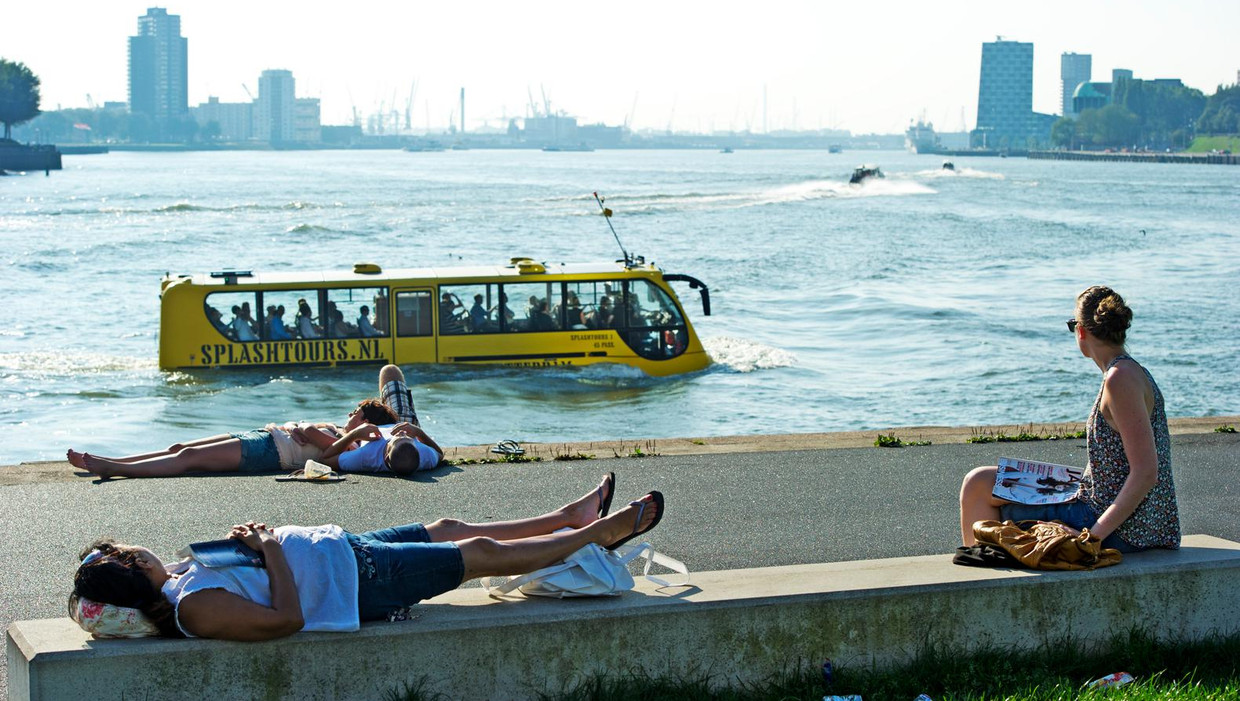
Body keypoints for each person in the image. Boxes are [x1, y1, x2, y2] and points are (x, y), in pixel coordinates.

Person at [68, 475, 662, 641]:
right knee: (478, 554)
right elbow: (286, 620)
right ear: (129, 569)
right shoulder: (192, 608)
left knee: (448, 527)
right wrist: (268, 547)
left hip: (342, 551)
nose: (130, 546)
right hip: (359, 583)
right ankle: (601, 534)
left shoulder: (177, 575)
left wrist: (253, 544)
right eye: (121, 553)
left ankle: (567, 518)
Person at [958, 286, 1180, 553]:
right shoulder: (1130, 371)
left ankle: (985, 570)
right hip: (1139, 520)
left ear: (1081, 331)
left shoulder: (1120, 378)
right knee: (983, 479)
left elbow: (1146, 473)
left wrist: (1091, 538)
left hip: (1125, 530)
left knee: (977, 488)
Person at [67, 366, 427, 478]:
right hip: (265, 435)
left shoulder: (351, 444)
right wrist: (302, 429)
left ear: (364, 420)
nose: (349, 415)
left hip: (270, 450)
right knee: (181, 447)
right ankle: (118, 460)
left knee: (188, 459)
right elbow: (305, 431)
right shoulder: (343, 434)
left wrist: (307, 430)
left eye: (355, 412)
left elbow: (315, 441)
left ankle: (114, 468)